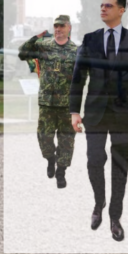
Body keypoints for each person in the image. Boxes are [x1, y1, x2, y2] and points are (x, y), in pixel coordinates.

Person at [69, 0, 128, 242]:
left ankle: (115, 217)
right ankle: (99, 203)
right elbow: (78, 77)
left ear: (121, 10)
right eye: (101, 5)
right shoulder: (90, 40)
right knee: (94, 160)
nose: (103, 9)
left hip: (124, 113)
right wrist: (74, 111)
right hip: (95, 112)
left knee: (120, 166)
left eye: (108, 5)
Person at [19, 15, 78, 188]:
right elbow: (22, 54)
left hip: (67, 104)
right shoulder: (43, 46)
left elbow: (82, 78)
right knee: (44, 137)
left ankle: (61, 172)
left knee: (67, 140)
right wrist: (35, 38)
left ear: (69, 28)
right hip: (47, 103)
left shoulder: (76, 51)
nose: (58, 29)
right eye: (56, 26)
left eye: (62, 26)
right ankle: (51, 159)